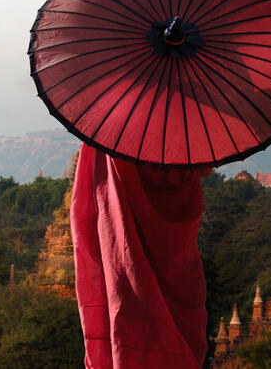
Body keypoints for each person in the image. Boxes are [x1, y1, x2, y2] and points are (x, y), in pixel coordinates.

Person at [71, 144, 212, 368]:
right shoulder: (188, 121)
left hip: (120, 240)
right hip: (175, 247)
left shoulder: (110, 127)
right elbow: (206, 168)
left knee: (124, 298)